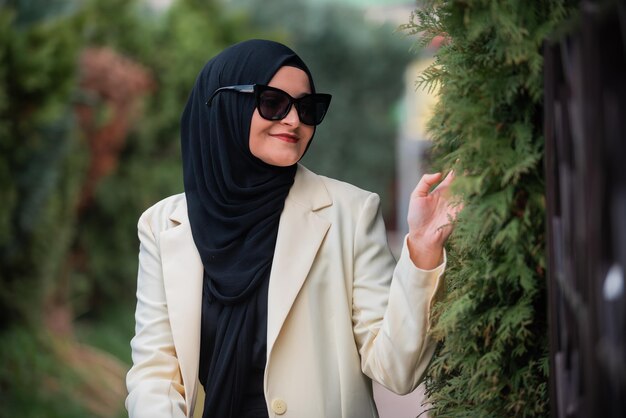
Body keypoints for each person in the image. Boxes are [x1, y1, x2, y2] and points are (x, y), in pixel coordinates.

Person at [125, 39, 458, 418]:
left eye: (307, 107)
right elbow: (155, 373)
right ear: (226, 105)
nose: (294, 120)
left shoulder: (350, 213)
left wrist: (423, 249)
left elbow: (398, 371)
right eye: (273, 102)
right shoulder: (162, 226)